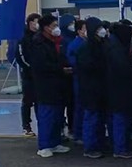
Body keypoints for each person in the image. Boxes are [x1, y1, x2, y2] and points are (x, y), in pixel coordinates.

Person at [30, 14, 73, 158]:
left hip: (58, 84)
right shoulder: (38, 43)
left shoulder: (56, 41)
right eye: (54, 26)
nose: (56, 28)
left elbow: (60, 58)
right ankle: (44, 146)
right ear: (46, 28)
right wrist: (61, 69)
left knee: (57, 116)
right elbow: (41, 65)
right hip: (45, 85)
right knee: (47, 116)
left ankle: (55, 143)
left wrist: (66, 67)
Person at [76, 17, 109, 158]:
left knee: (99, 119)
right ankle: (90, 147)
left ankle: (99, 143)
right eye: (98, 28)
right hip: (90, 89)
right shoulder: (86, 48)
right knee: (91, 118)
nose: (102, 31)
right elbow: (87, 67)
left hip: (100, 88)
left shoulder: (101, 44)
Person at [106, 21, 132, 159]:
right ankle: (120, 148)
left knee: (117, 118)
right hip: (120, 89)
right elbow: (123, 69)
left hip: (115, 88)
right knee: (120, 119)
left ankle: (118, 145)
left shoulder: (113, 45)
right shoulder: (117, 49)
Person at [15, 12, 41, 137]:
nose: (37, 25)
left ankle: (42, 123)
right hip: (28, 76)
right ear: (30, 23)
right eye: (36, 22)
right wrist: (30, 68)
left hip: (40, 75)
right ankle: (26, 126)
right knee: (27, 101)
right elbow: (20, 56)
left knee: (39, 101)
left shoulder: (40, 37)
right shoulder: (23, 39)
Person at [66, 18, 88, 145]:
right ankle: (78, 133)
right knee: (80, 107)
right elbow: (73, 62)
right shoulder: (75, 45)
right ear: (79, 31)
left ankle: (82, 132)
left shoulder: (85, 43)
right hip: (79, 79)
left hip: (83, 79)